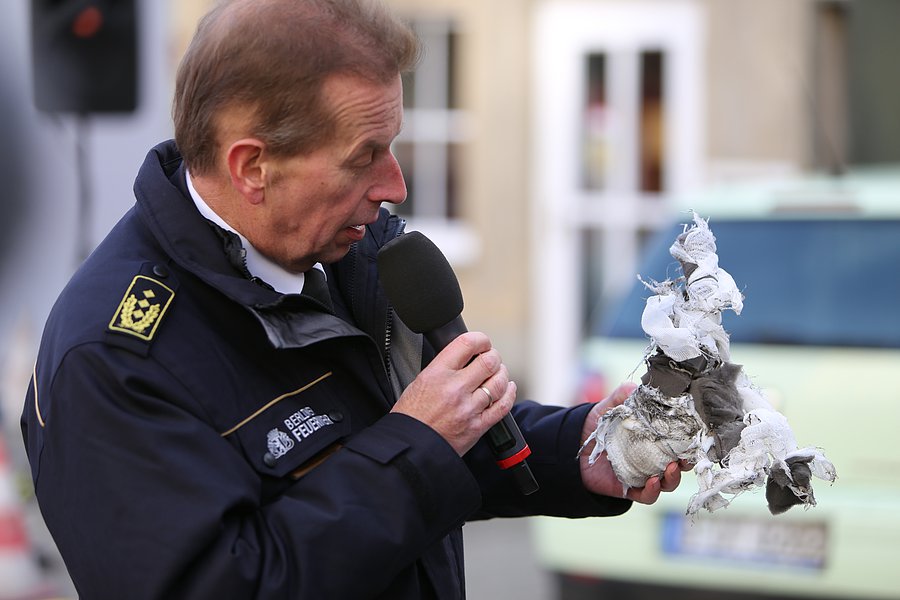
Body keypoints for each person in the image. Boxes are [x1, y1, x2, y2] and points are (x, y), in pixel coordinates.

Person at [21, 0, 687, 598]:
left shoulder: (352, 251)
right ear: (252, 167)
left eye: (392, 145)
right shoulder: (111, 358)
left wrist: (583, 450)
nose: (394, 185)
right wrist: (414, 444)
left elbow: (444, 454)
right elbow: (224, 582)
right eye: (364, 155)